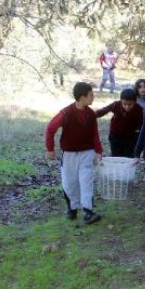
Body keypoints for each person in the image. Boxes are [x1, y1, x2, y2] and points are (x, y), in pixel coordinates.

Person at [45, 82, 102, 225]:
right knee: (69, 183)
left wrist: (98, 151)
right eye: (91, 94)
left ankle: (88, 212)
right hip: (69, 154)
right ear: (82, 97)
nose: (93, 96)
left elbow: (95, 134)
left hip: (87, 153)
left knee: (86, 180)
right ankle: (72, 208)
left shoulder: (91, 114)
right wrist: (50, 149)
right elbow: (50, 129)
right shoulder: (66, 113)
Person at [95, 88, 144, 157]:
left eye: (130, 104)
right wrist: (92, 115)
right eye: (124, 104)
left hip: (130, 137)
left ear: (135, 102)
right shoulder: (115, 105)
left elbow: (141, 123)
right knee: (116, 155)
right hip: (115, 135)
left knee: (128, 156)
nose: (127, 107)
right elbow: (104, 110)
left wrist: (138, 134)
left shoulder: (139, 109)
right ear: (121, 101)